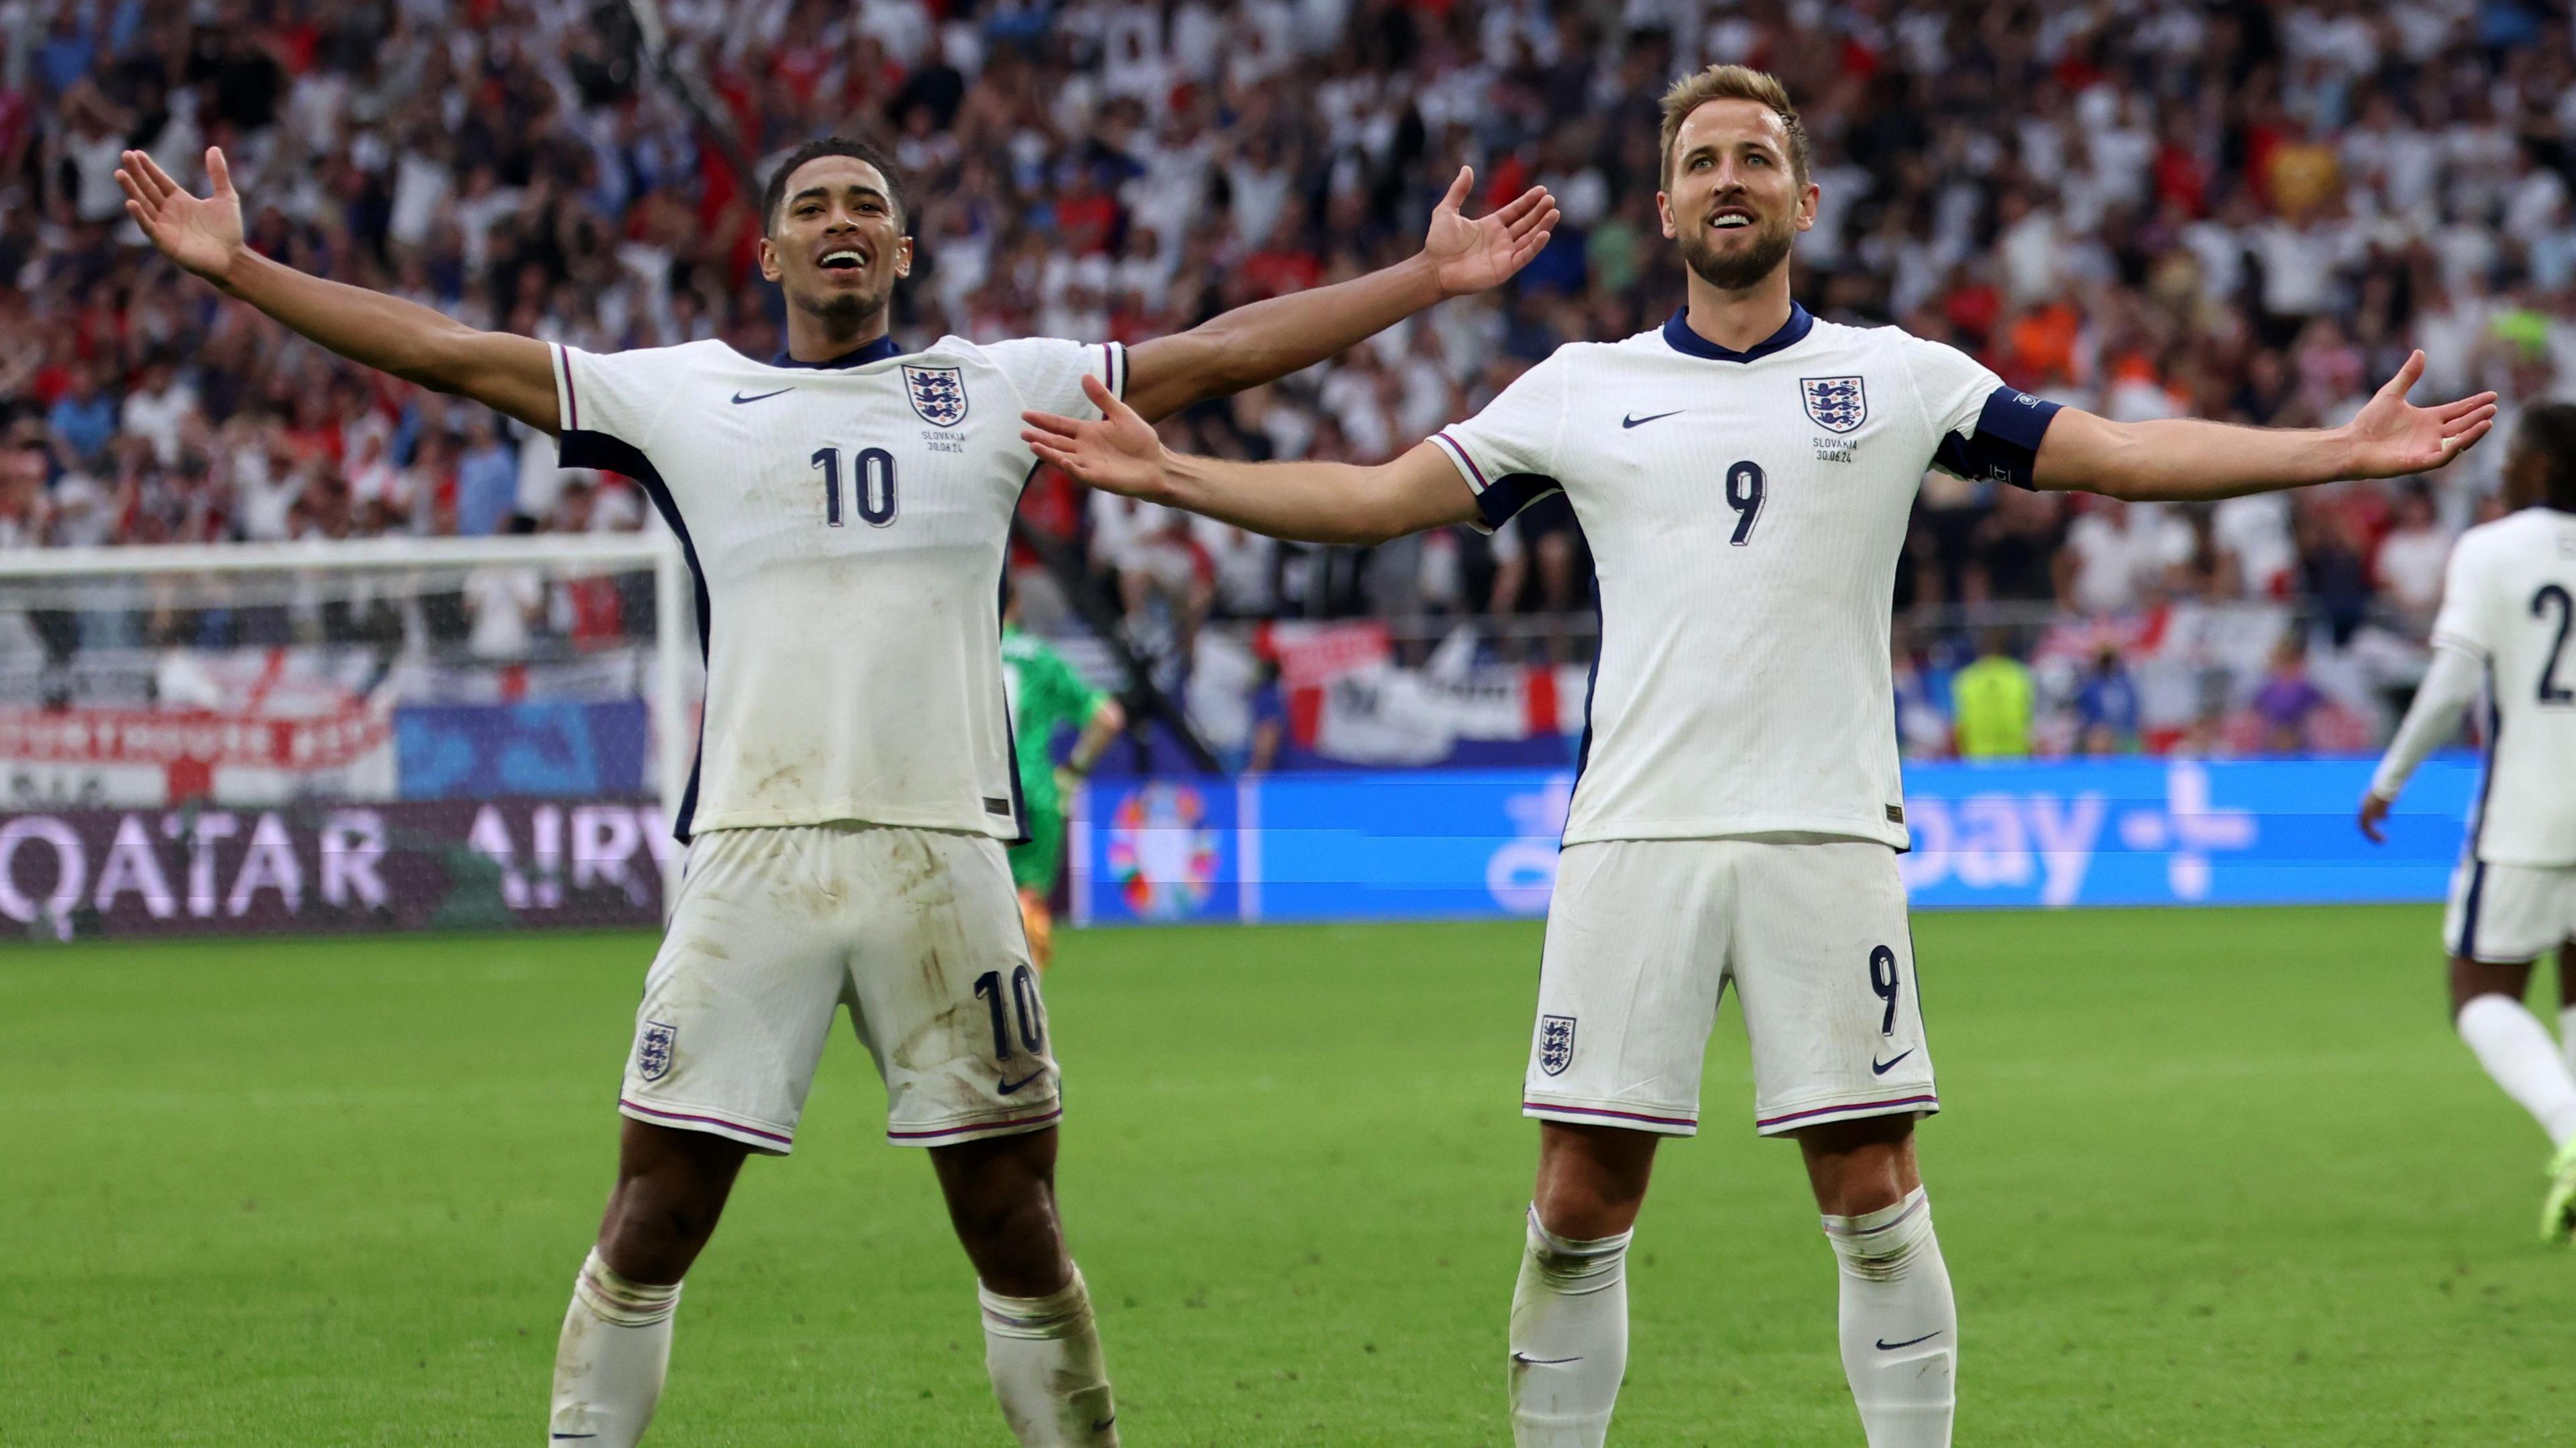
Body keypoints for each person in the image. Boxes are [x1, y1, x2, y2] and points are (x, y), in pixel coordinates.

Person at [1023, 64, 2496, 1448]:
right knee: (1579, 1194)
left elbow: (2106, 447)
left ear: (1804, 201)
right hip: (1634, 841)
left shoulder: (1899, 376)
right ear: (1664, 209)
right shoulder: (1576, 385)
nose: (1731, 179)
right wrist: (1179, 474)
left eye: (1758, 158)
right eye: (1702, 162)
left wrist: (2331, 450)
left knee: (1872, 1185)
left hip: (1826, 833)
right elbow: (1374, 495)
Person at [117, 137, 1555, 1447]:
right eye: (812, 207)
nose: (841, 222)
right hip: (756, 853)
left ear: (905, 253)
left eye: (868, 204)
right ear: (771, 255)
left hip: (947, 855)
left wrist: (1424, 277)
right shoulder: (681, 390)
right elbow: (448, 349)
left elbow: (1219, 354)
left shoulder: (999, 387)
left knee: (1013, 1214)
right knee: (656, 1208)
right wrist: (242, 268)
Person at [2359, 402, 2576, 1244]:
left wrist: (2390, 780)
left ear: (2546, 466)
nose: (2506, 463)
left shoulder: (2491, 549)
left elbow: (2452, 685)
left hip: (2525, 814)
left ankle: (2570, 1133)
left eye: (2519, 450)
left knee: (2478, 991)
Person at [1002, 581, 1124, 968]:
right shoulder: (1041, 659)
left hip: (976, 798)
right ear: (1016, 604)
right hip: (1035, 791)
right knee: (1029, 903)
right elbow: (1108, 718)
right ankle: (1023, 1004)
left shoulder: (963, 657)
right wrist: (1071, 774)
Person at [1949, 630, 2033, 759]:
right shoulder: (2020, 675)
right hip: (2016, 756)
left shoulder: (1965, 678)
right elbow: (2031, 719)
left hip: (1977, 757)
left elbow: (1957, 726)